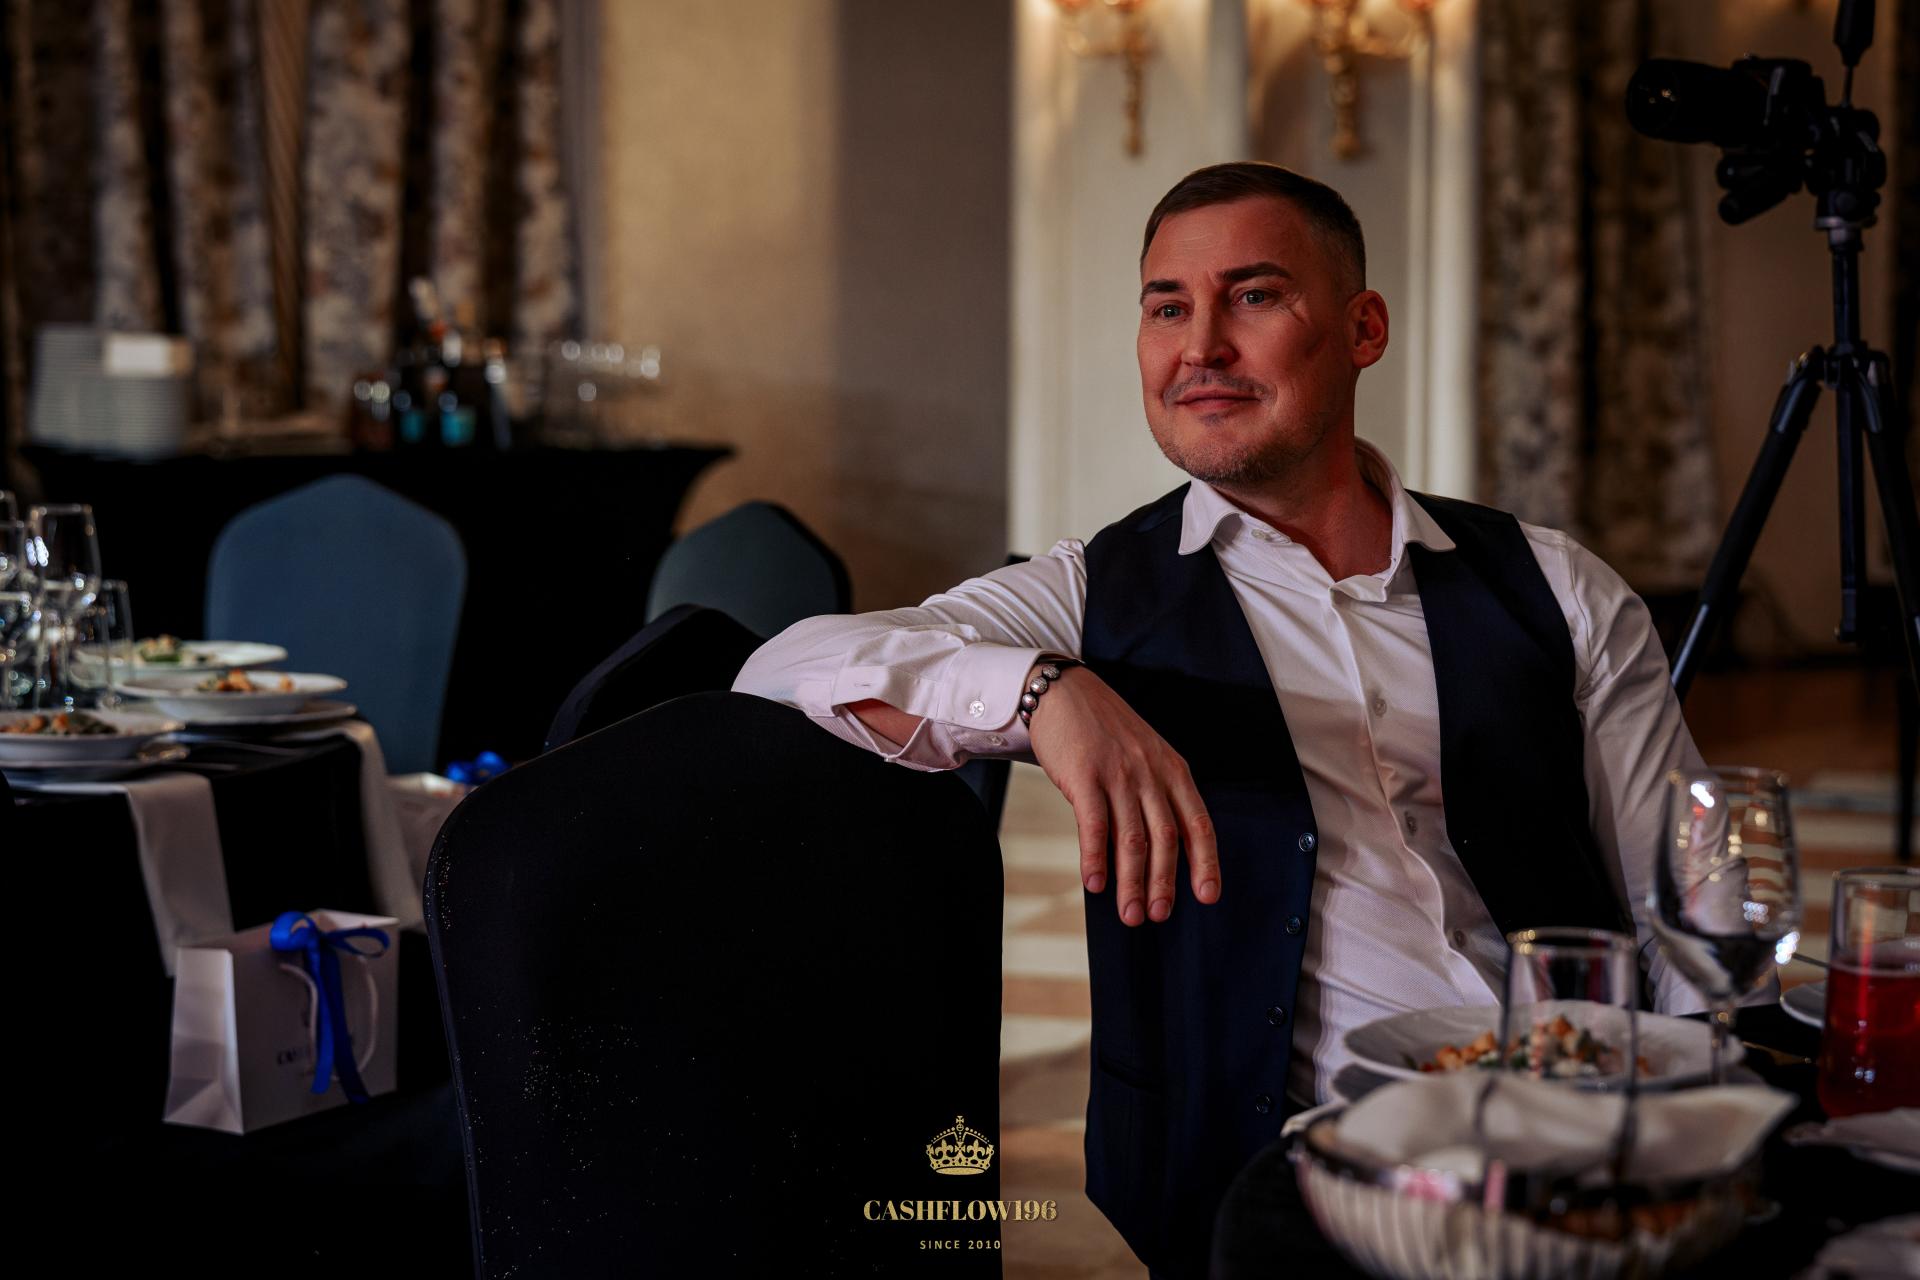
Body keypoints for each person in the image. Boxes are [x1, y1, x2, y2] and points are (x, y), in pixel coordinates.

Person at [735, 162, 1709, 1279]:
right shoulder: (1097, 594)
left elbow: (1679, 904)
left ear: (1363, 328)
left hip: (1575, 1135)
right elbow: (782, 666)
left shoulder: (1556, 585)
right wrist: (1047, 693)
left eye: (1253, 296)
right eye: (1166, 308)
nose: (1199, 346)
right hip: (1286, 1174)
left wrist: (1702, 1132)